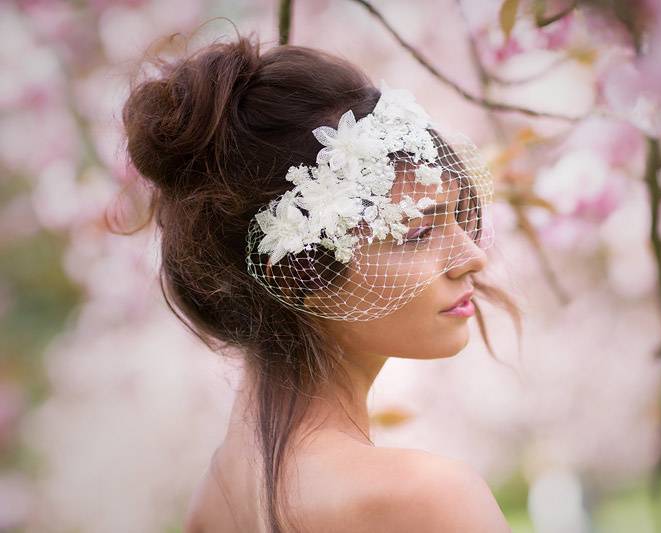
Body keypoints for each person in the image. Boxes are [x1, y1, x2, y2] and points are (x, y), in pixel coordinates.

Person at [120, 28, 520, 532]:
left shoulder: (213, 501)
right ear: (298, 270)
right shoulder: (428, 498)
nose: (472, 258)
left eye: (460, 218)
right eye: (418, 232)